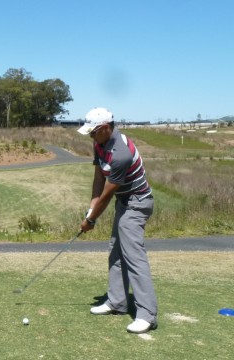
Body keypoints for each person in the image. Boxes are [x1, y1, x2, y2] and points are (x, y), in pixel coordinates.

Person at [77, 107, 158, 334]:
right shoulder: (99, 143)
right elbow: (98, 180)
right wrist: (90, 209)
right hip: (124, 202)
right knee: (116, 250)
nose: (91, 137)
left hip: (138, 203)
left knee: (134, 256)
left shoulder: (120, 153)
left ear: (104, 128)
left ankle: (147, 315)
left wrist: (91, 220)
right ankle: (117, 302)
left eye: (93, 132)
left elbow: (107, 194)